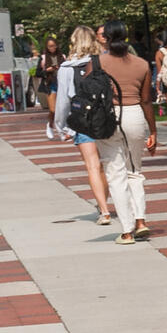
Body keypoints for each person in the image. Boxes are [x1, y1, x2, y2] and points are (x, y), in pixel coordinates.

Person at [94, 19, 158, 243]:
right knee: (134, 170)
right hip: (134, 115)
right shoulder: (141, 64)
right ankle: (140, 220)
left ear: (106, 38)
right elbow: (147, 101)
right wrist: (153, 132)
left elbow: (85, 91)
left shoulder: (97, 62)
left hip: (109, 117)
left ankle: (127, 230)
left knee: (115, 174)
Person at [55, 26, 117, 226]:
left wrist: (61, 125)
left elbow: (63, 101)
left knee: (93, 166)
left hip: (83, 120)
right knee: (106, 164)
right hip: (105, 117)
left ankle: (104, 210)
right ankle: (105, 202)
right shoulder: (104, 61)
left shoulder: (66, 68)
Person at [36, 38, 65, 139]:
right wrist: (47, 70)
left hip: (61, 84)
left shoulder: (62, 57)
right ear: (47, 47)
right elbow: (37, 73)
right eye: (50, 46)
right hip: (50, 84)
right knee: (53, 109)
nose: (52, 48)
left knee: (62, 109)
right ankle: (50, 125)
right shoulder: (43, 58)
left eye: (54, 45)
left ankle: (61, 129)